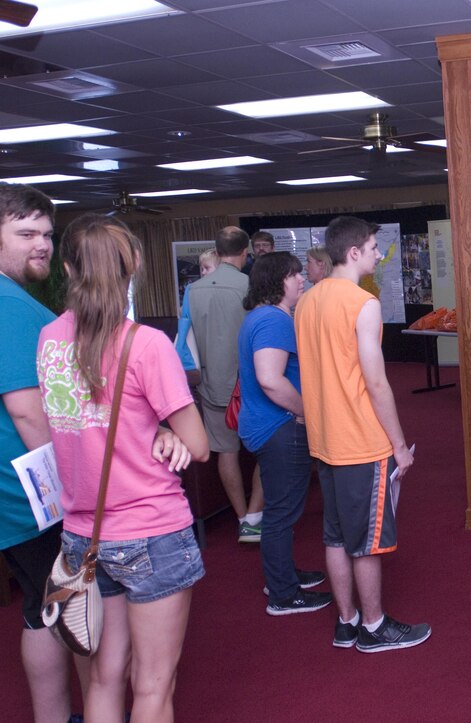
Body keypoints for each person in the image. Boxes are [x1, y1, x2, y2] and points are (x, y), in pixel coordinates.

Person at [37, 214, 209, 722]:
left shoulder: (49, 339)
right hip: (151, 530)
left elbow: (88, 423)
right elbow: (198, 445)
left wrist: (153, 428)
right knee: (154, 685)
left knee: (105, 677)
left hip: (82, 535)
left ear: (67, 267)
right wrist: (165, 430)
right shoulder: (145, 343)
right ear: (134, 265)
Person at [295, 215, 430, 653]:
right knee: (367, 542)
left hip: (326, 440)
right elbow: (375, 383)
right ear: (353, 253)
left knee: (335, 536)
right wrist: (397, 445)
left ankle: (347, 620)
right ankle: (373, 627)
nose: (377, 254)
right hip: (360, 440)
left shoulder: (307, 302)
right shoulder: (362, 303)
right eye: (373, 247)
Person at [0, 184, 89, 723]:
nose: (42, 246)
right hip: (34, 497)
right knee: (71, 611)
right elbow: (29, 412)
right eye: (25, 233)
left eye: (47, 235)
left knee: (42, 609)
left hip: (19, 497)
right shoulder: (9, 304)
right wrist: (73, 491)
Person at [238, 252, 332, 616]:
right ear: (278, 281)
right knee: (281, 515)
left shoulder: (258, 317)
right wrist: (307, 413)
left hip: (265, 425)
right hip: (279, 428)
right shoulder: (274, 319)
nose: (301, 280)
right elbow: (269, 379)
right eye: (294, 275)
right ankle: (282, 593)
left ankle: (282, 575)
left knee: (280, 511)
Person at [188, 226, 264, 542]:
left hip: (211, 385)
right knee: (265, 453)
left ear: (217, 252)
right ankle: (257, 517)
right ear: (245, 252)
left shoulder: (194, 291)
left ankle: (242, 517)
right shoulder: (252, 287)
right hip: (250, 384)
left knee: (226, 452)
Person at [175, 249, 219, 376]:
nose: (203, 272)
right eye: (202, 269)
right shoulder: (191, 288)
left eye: (207, 268)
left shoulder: (192, 288)